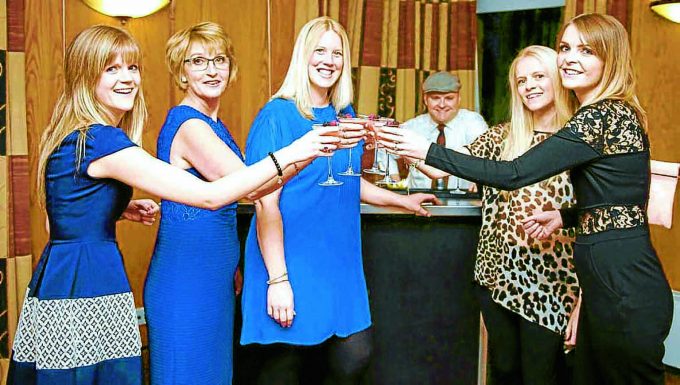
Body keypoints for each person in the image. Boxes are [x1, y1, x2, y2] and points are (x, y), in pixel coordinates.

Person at [7, 24, 338, 385]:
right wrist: (296, 150)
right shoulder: (103, 139)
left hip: (67, 277)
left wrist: (112, 210)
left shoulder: (81, 136)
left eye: (132, 68)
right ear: (86, 78)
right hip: (89, 282)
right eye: (111, 69)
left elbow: (56, 223)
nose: (127, 79)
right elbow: (212, 195)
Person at [379, 13, 673, 385]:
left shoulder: (602, 115)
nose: (569, 58)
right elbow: (617, 201)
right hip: (609, 281)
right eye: (565, 48)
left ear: (609, 58)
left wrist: (429, 151)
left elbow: (513, 174)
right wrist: (565, 217)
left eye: (585, 50)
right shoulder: (602, 115)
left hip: (622, 285)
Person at [240, 16, 438, 385]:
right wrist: (278, 279)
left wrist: (401, 202)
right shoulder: (277, 115)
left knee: (353, 355)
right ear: (304, 56)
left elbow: (346, 182)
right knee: (286, 366)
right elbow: (266, 201)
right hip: (290, 257)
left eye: (337, 53)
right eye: (320, 51)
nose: (329, 60)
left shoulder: (344, 116)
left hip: (338, 259)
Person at [412, 45, 580, 384]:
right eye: (521, 80)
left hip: (552, 284)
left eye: (538, 76)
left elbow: (596, 217)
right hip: (495, 278)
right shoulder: (502, 136)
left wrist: (584, 299)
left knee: (541, 376)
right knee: (504, 372)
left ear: (558, 78)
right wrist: (398, 143)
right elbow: (440, 166)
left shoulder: (579, 139)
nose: (529, 86)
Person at [143, 22, 279, 385]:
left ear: (231, 68)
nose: (211, 69)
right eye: (198, 61)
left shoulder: (212, 123)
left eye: (219, 60)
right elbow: (252, 186)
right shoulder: (190, 126)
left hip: (213, 278)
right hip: (184, 280)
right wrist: (306, 150)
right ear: (181, 72)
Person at [386, 71, 487, 190]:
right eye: (435, 98)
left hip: (463, 202)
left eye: (449, 98)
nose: (442, 105)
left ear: (459, 99)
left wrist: (481, 181)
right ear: (425, 99)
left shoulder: (473, 123)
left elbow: (488, 155)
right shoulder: (412, 126)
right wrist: (394, 180)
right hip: (418, 201)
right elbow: (384, 150)